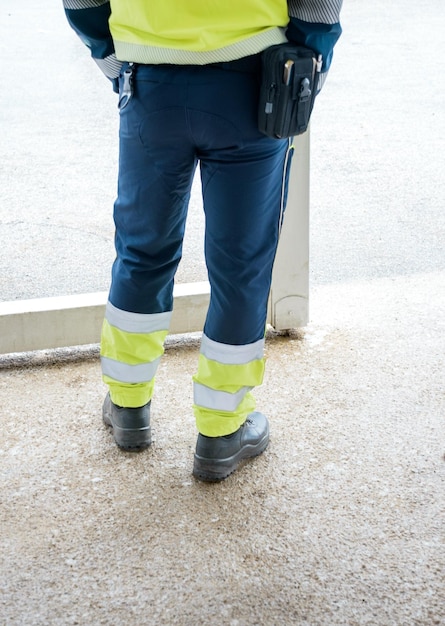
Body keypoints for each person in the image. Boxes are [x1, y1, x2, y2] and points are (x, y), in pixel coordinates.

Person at [63, 0, 342, 482]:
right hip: (254, 83)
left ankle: (129, 406)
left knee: (143, 250)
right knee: (242, 266)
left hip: (151, 80)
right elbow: (317, 4)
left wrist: (114, 61)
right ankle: (221, 430)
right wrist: (307, 64)